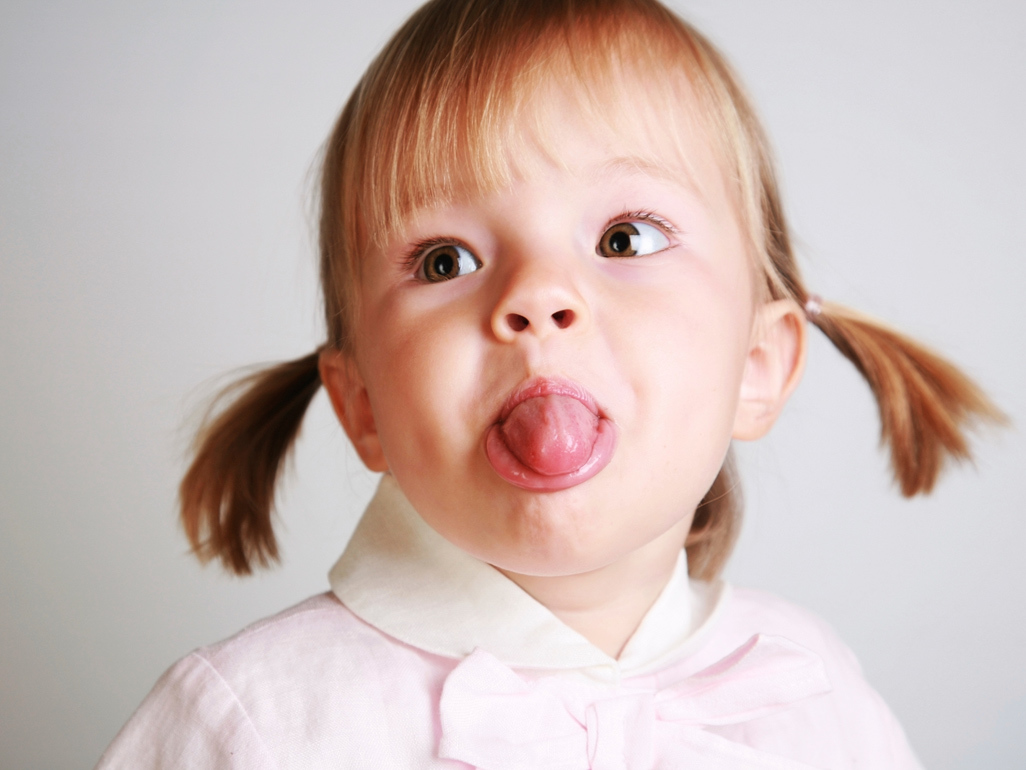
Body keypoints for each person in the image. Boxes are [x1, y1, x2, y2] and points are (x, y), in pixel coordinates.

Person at [96, 0, 1003, 767]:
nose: (537, 298)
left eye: (625, 239)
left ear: (757, 367)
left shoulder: (812, 694)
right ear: (362, 403)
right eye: (446, 259)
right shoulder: (255, 724)